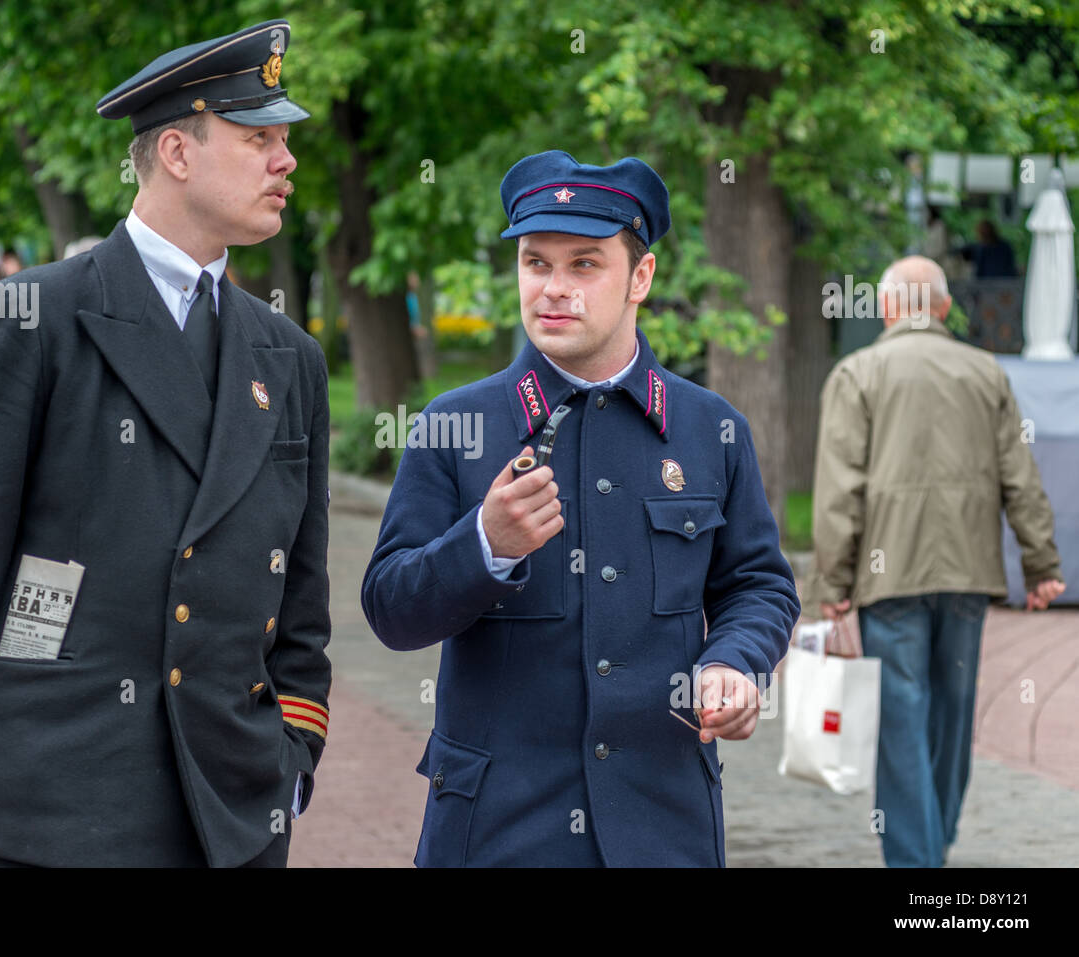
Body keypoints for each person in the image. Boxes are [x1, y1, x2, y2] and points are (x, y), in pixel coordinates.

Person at [0, 18, 331, 868]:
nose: (287, 161)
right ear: (176, 152)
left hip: (232, 812)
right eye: (258, 138)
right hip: (54, 802)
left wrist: (291, 760)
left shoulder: (291, 357)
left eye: (285, 140)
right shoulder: (32, 318)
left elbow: (301, 595)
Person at [361, 151, 801, 866]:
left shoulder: (709, 428)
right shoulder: (454, 423)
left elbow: (757, 584)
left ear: (641, 277)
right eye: (536, 263)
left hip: (664, 826)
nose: (553, 289)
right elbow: (390, 608)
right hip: (499, 830)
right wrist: (485, 544)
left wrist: (736, 661)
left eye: (584, 265)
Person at [809, 255, 1065, 868]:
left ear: (889, 310)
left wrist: (833, 580)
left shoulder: (858, 373)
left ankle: (916, 864)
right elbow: (1019, 477)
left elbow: (841, 489)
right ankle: (934, 848)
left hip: (887, 575)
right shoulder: (986, 373)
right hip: (968, 574)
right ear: (945, 309)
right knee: (952, 723)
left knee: (901, 724)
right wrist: (1041, 565)